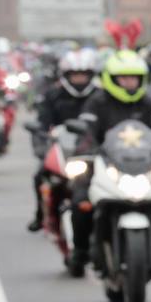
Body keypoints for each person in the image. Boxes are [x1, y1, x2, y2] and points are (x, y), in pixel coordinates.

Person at [72, 50, 151, 276]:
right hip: (103, 163)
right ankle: (81, 250)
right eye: (124, 78)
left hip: (143, 164)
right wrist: (85, 147)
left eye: (134, 78)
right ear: (111, 79)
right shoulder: (97, 102)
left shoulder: (148, 102)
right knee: (80, 202)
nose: (130, 83)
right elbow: (87, 131)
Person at [28, 48, 97, 231]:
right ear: (66, 75)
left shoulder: (100, 96)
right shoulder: (53, 95)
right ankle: (40, 214)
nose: (80, 79)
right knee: (39, 175)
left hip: (93, 149)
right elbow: (41, 125)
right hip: (61, 148)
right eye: (75, 75)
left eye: (84, 75)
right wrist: (42, 145)